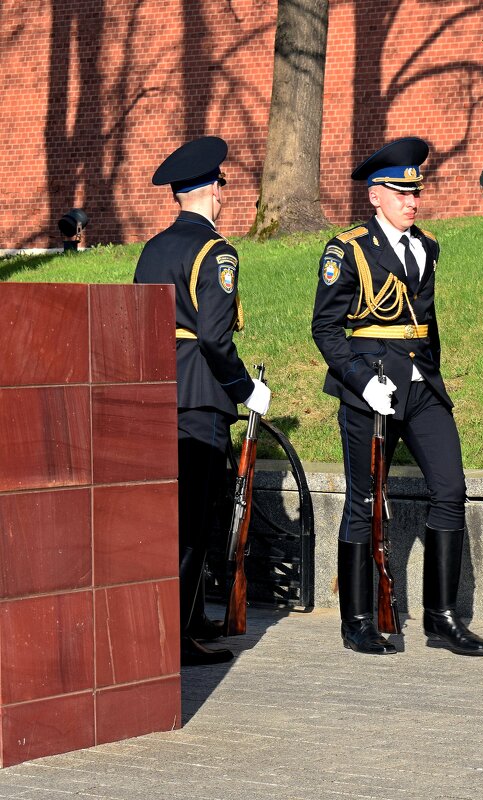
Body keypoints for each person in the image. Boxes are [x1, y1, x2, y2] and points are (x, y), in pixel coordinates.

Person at [311, 137, 483, 657]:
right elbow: (325, 329)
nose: (412, 200)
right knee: (364, 502)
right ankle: (359, 620)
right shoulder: (347, 250)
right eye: (400, 191)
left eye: (416, 191)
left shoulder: (427, 247)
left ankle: (442, 617)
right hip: (369, 385)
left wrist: (428, 373)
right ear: (375, 195)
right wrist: (361, 380)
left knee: (450, 489)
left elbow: (425, 324)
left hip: (420, 385)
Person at [134, 136, 271, 667]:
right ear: (212, 189)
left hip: (155, 395)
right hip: (200, 397)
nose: (222, 195)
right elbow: (214, 338)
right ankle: (177, 638)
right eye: (221, 186)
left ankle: (184, 618)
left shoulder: (152, 250)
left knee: (168, 517)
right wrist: (245, 389)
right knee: (193, 521)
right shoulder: (217, 252)